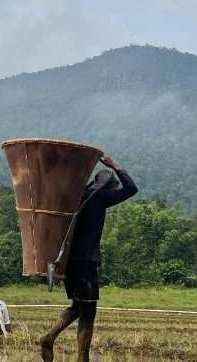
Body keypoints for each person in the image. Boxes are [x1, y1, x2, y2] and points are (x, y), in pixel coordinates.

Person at [39, 155, 138, 362]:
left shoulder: (79, 196)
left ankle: (50, 338)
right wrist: (115, 165)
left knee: (77, 306)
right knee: (89, 311)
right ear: (108, 188)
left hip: (69, 263)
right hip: (86, 262)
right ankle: (79, 356)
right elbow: (131, 189)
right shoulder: (101, 198)